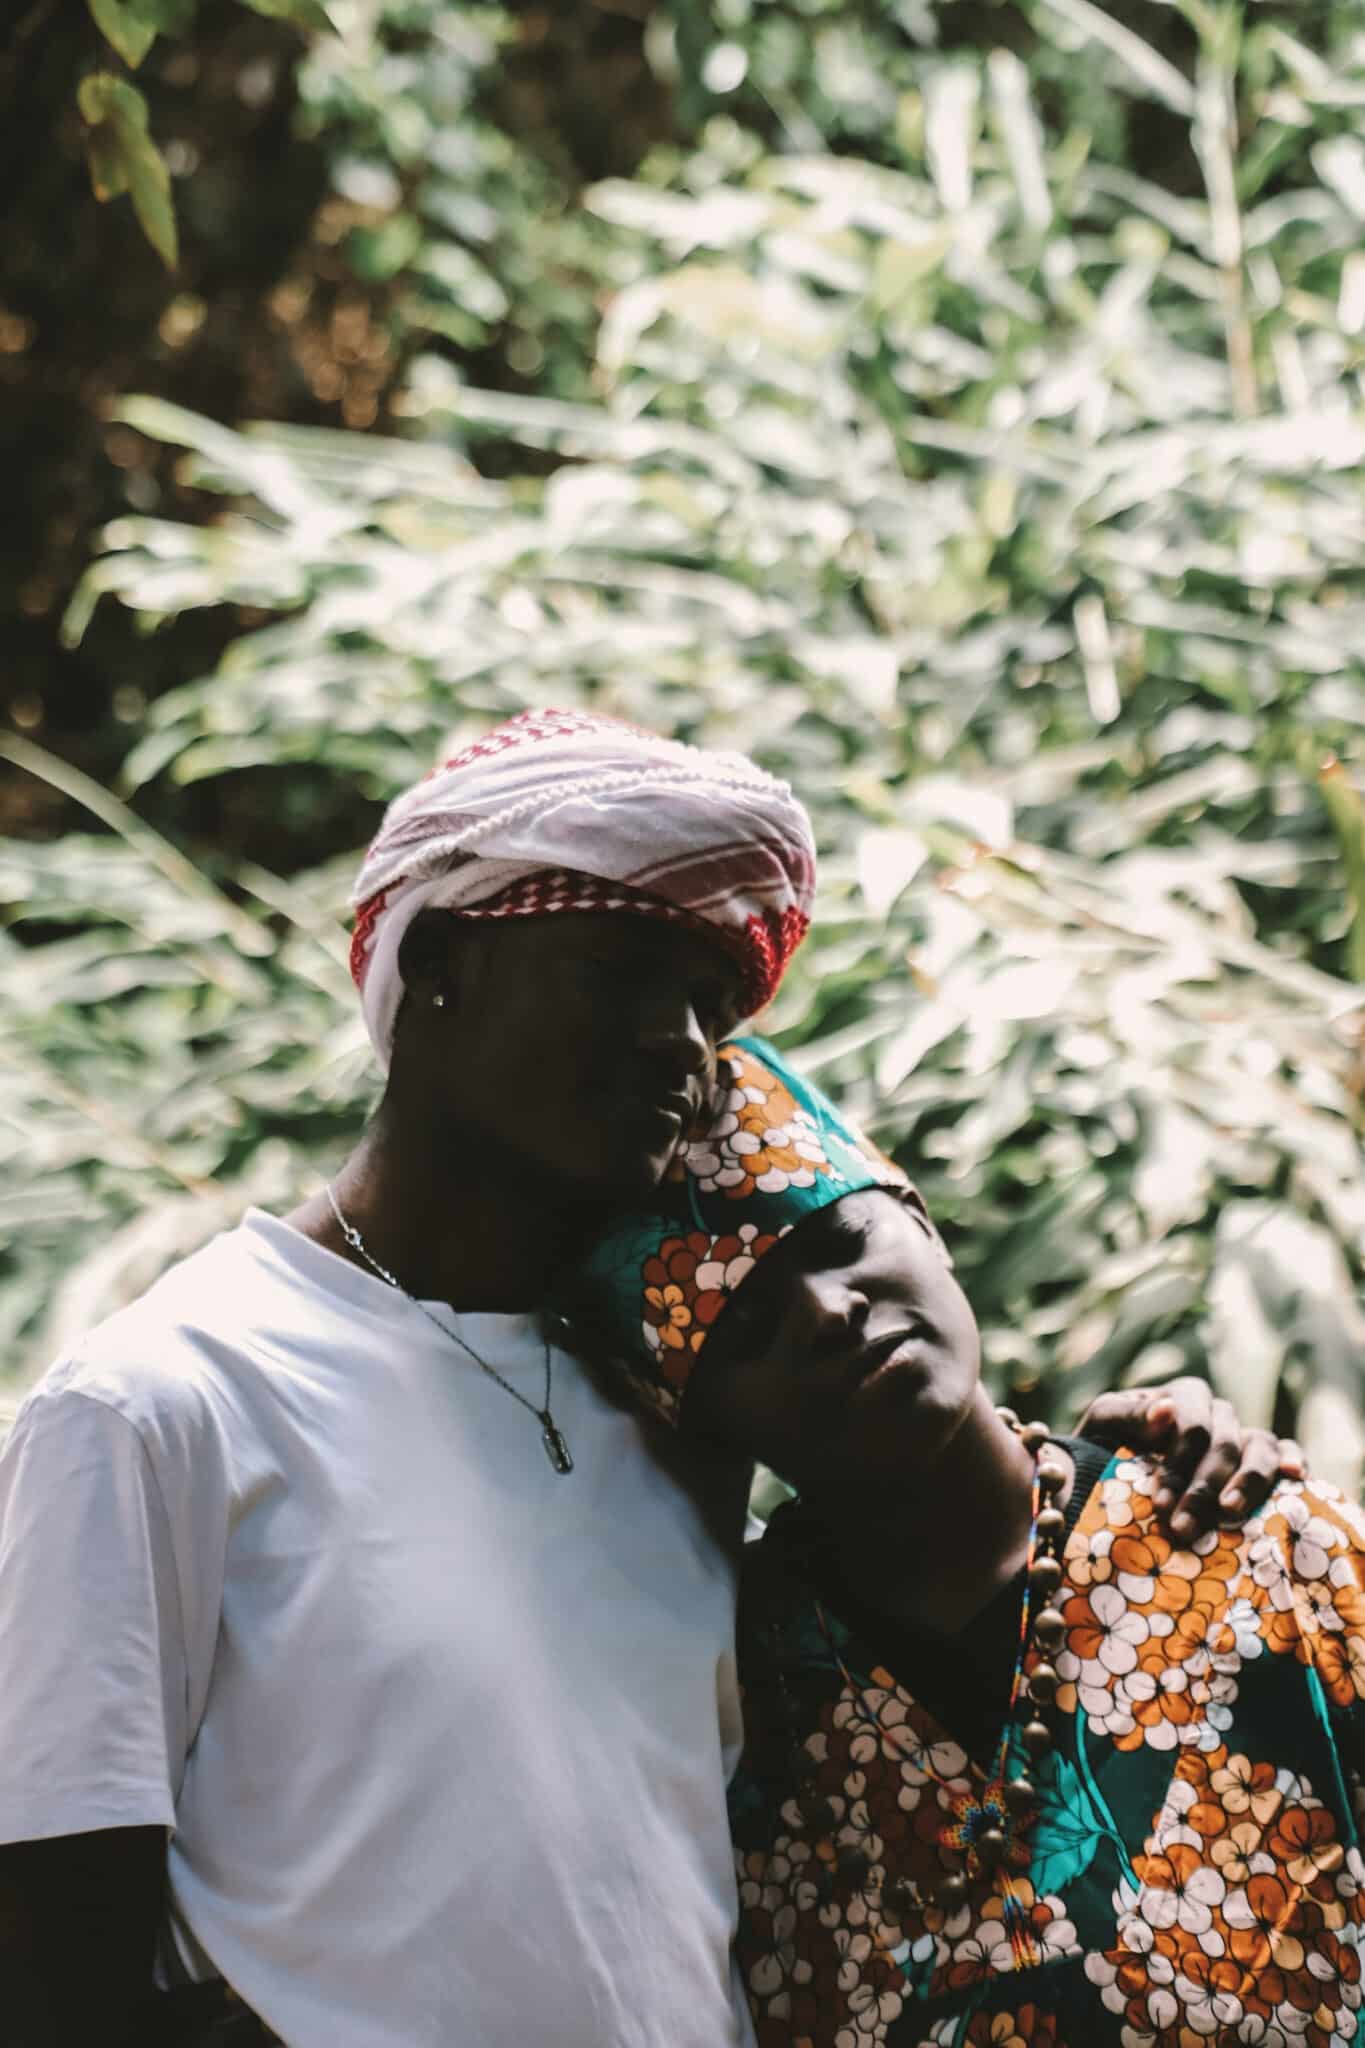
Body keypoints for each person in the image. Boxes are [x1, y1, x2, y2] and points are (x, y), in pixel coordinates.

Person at [0, 710, 1296, 2048]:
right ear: (438, 965)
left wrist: (1130, 1465)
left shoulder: (664, 1406)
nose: (681, 1042)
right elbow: (51, 1974)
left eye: (709, 1008)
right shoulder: (163, 1402)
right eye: (619, 972)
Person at [572, 1034, 1354, 2048]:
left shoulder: (1263, 1546)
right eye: (748, 1325)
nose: (828, 1312)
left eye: (837, 1238)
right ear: (699, 1419)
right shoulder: (728, 1720)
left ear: (921, 1222)